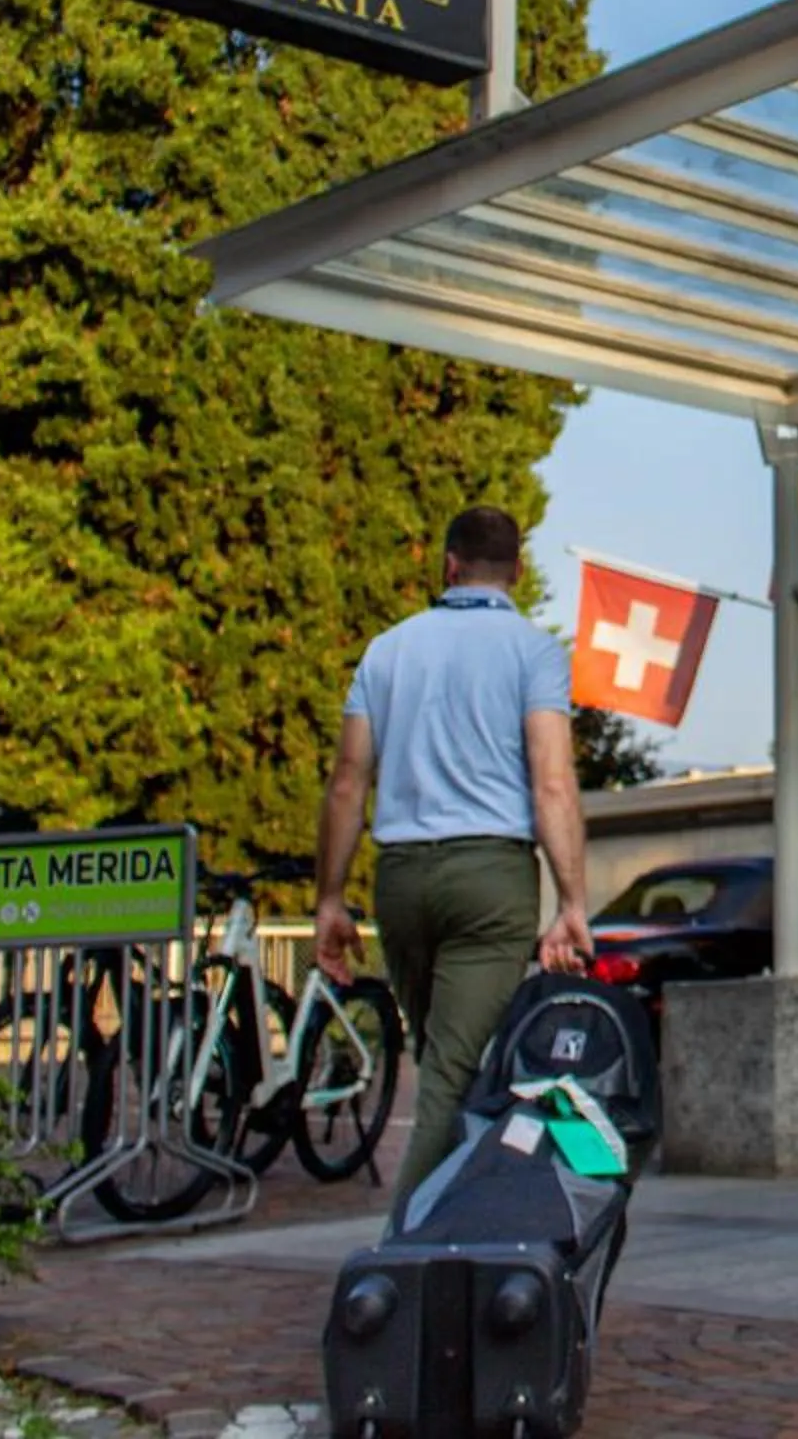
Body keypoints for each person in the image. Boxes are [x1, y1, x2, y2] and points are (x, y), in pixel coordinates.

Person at [315, 505, 591, 1208]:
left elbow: (348, 782)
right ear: (518, 572)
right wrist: (572, 904)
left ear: (448, 566)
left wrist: (329, 899)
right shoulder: (533, 652)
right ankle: (399, 1260)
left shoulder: (388, 650)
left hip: (401, 877)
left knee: (443, 1059)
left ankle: (464, 1237)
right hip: (491, 880)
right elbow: (552, 783)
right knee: (452, 1073)